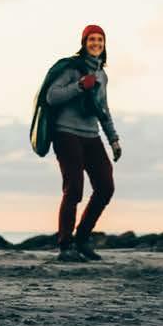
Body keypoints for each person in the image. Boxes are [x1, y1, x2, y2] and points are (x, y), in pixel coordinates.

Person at [44, 24, 122, 263]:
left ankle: (83, 239)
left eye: (100, 39)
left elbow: (103, 110)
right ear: (84, 42)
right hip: (66, 133)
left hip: (91, 135)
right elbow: (52, 96)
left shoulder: (102, 75)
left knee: (105, 187)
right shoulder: (71, 68)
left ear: (104, 44)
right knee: (74, 188)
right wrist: (79, 86)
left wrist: (114, 139)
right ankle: (66, 245)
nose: (96, 43)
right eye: (91, 39)